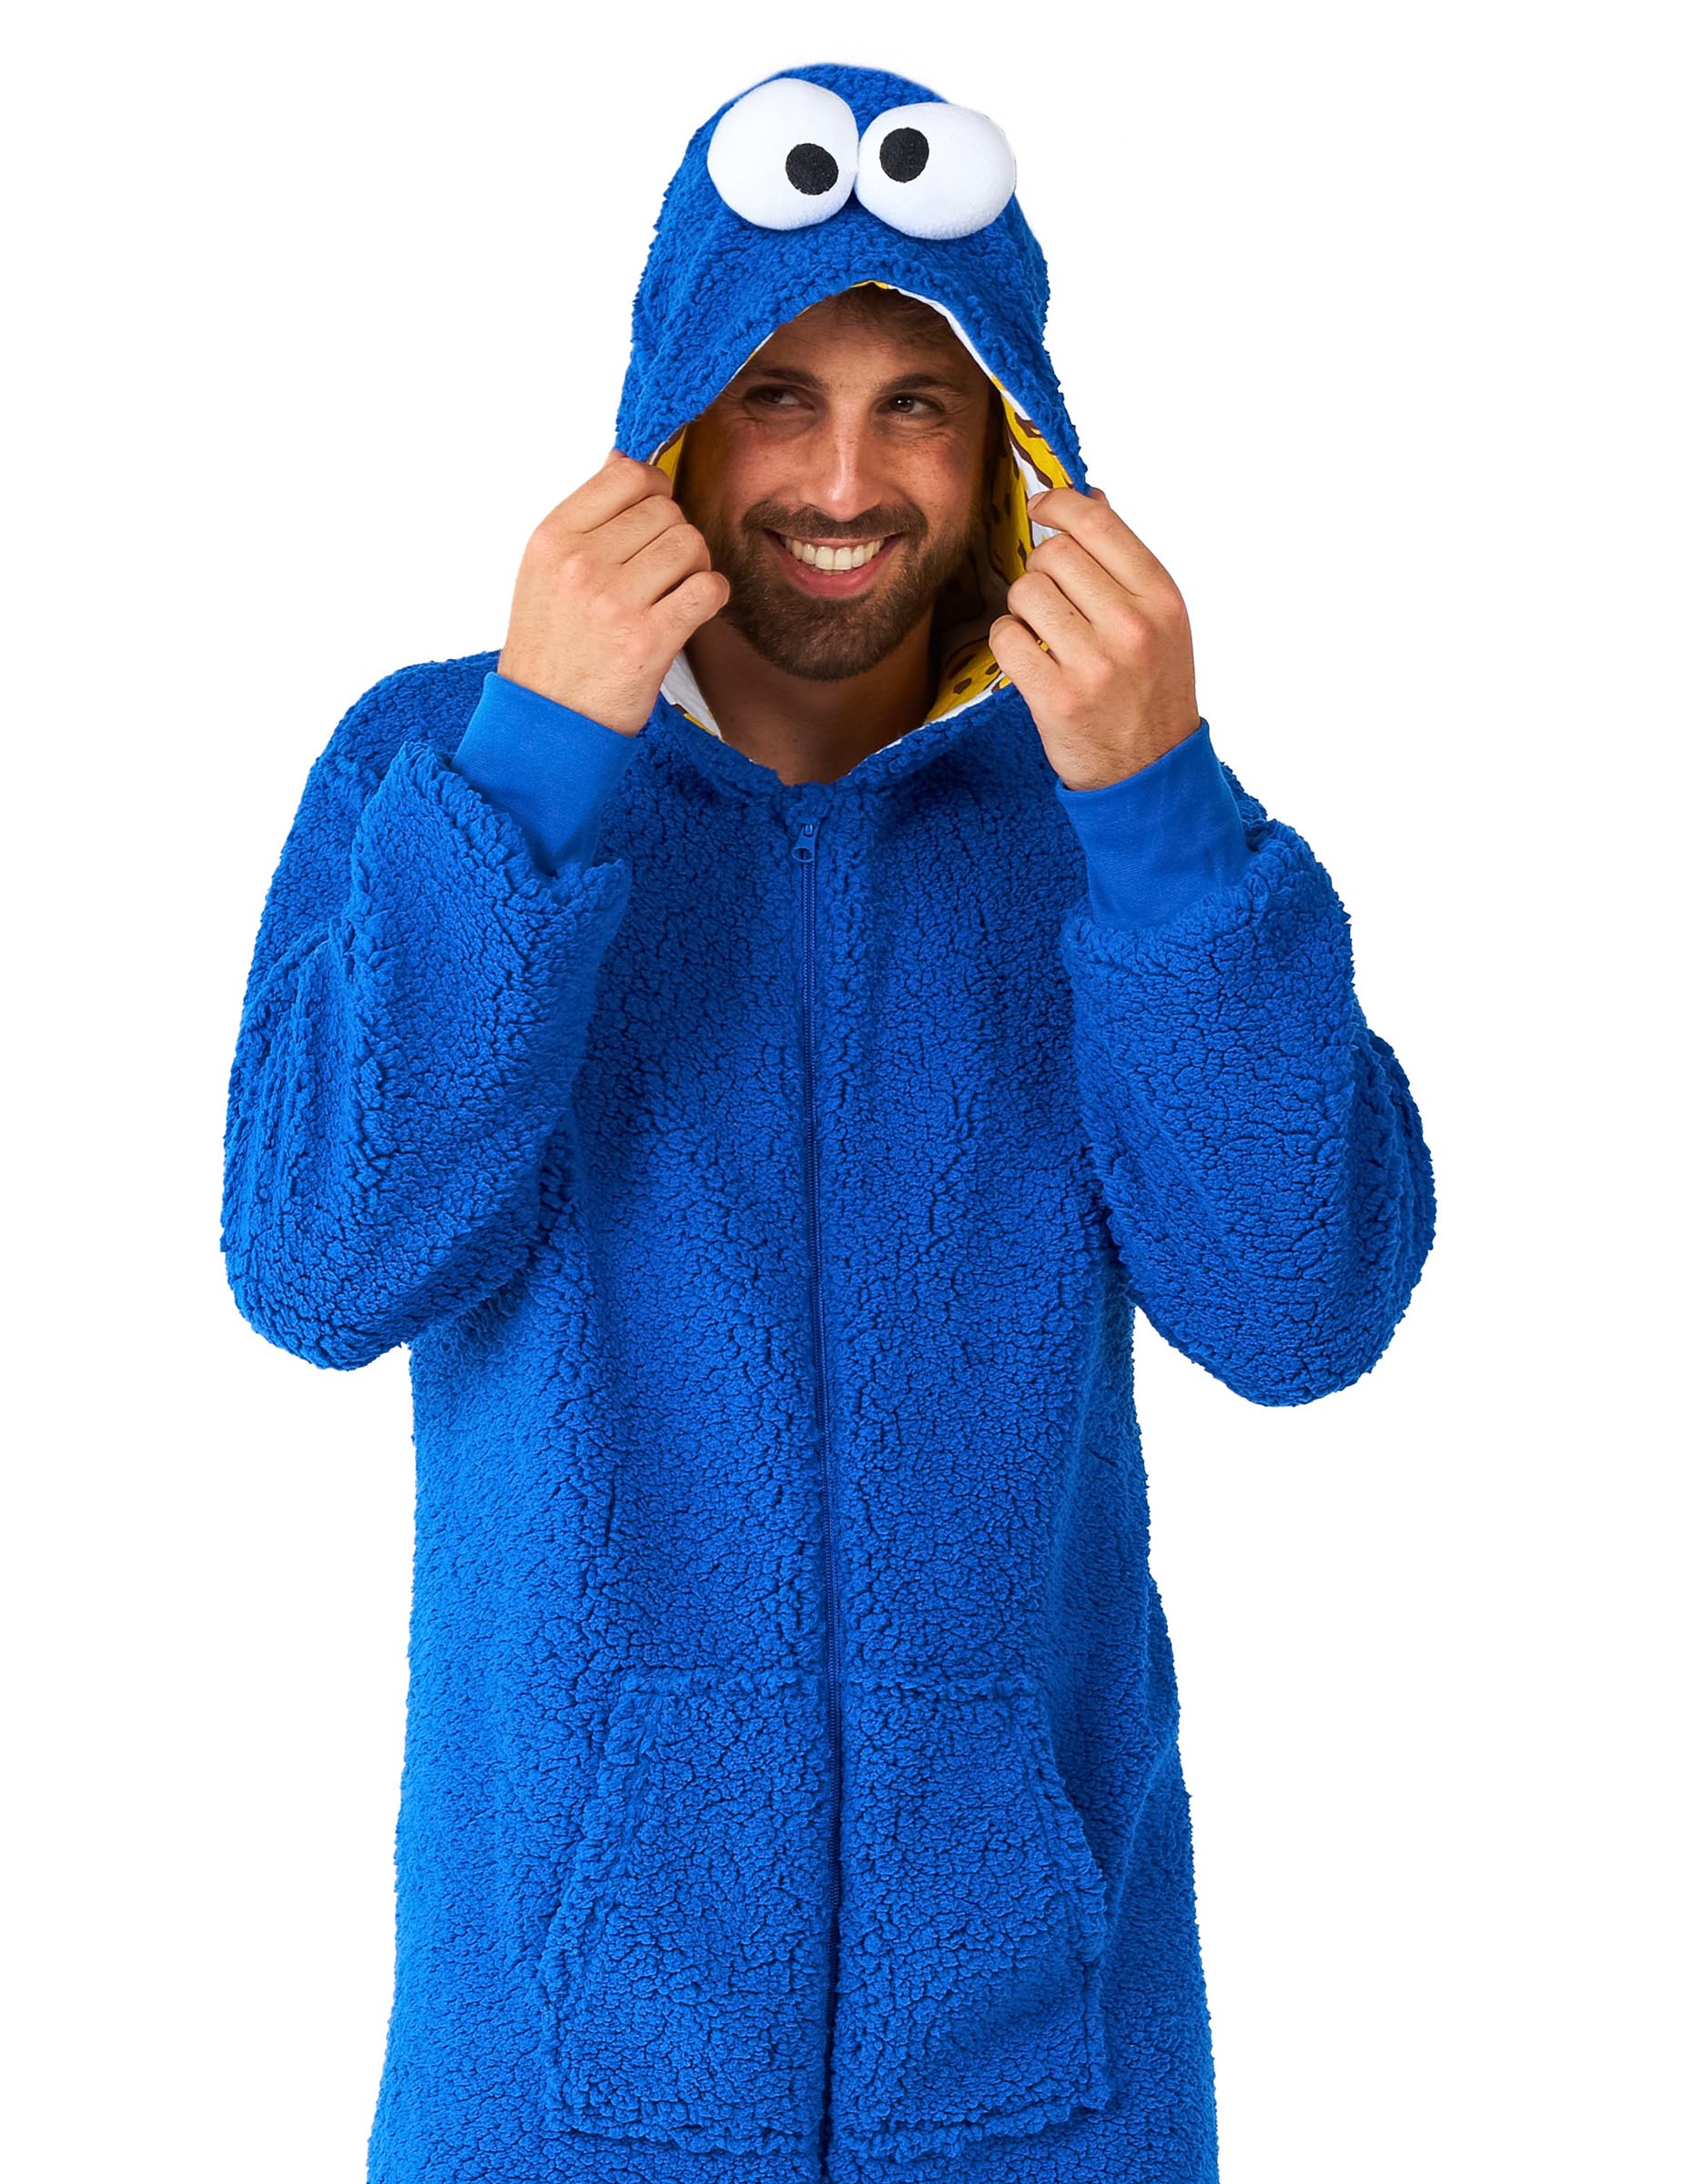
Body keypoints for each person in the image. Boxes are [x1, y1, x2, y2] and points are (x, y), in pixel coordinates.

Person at [221, 60, 1436, 2184]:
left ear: (1012, 449)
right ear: (675, 424)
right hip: (556, 2082)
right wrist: (534, 770)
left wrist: (1159, 826)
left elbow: (1298, 1307)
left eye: (918, 405)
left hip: (1047, 2078)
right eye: (778, 396)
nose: (846, 477)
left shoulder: (1105, 808)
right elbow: (323, 1266)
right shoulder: (443, 764)